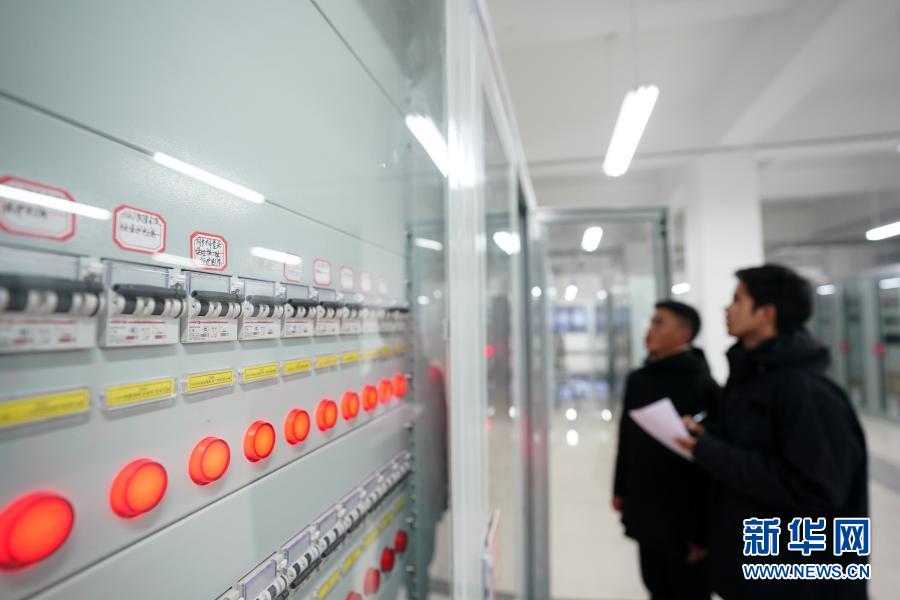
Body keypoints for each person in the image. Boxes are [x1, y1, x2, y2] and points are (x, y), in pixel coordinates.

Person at [677, 264, 868, 600]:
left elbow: (815, 490)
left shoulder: (806, 391)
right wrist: (707, 435)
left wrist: (709, 451)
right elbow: (750, 443)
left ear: (766, 313)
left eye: (737, 300)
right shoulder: (751, 379)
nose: (727, 308)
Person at [613, 300, 719, 600]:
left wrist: (702, 532)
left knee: (688, 588)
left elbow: (709, 465)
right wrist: (620, 488)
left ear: (684, 334)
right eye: (652, 321)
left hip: (684, 514)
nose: (650, 329)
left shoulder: (702, 384)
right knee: (655, 583)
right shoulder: (639, 379)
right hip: (646, 508)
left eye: (660, 323)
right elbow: (627, 439)